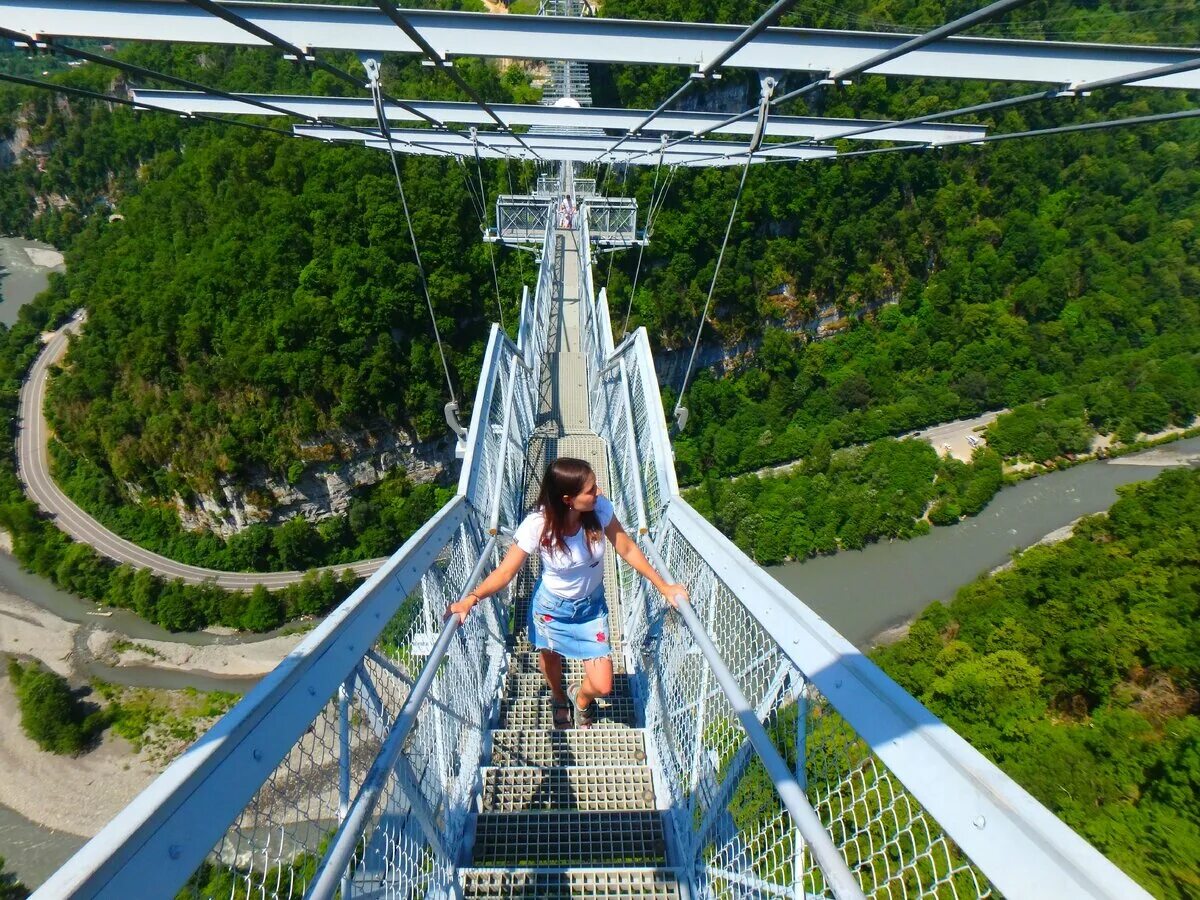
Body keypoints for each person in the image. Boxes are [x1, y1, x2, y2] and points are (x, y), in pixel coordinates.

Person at [448, 457, 687, 728]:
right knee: (550, 655)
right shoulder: (538, 525)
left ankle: (580, 697)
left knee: (603, 684)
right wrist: (472, 598)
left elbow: (627, 548)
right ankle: (559, 697)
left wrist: (664, 586)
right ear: (567, 499)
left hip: (591, 609)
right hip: (551, 609)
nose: (599, 492)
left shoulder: (600, 510)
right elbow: (505, 572)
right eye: (591, 490)